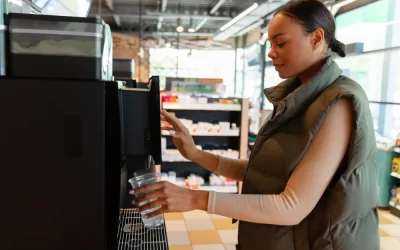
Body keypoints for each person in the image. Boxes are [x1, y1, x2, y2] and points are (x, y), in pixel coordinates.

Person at [130, 0, 380, 249]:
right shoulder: (299, 96)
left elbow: (291, 207)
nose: (271, 52)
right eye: (270, 44)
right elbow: (266, 173)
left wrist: (196, 198)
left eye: (280, 43)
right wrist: (195, 154)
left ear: (316, 39)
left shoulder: (339, 103)